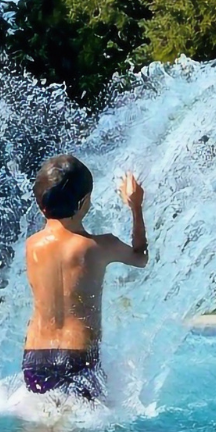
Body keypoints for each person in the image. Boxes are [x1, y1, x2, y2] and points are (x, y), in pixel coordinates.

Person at [22, 154, 148, 400]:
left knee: (45, 423)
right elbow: (140, 257)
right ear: (85, 202)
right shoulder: (99, 246)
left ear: (40, 204)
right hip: (78, 356)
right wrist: (135, 207)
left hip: (34, 357)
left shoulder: (31, 246)